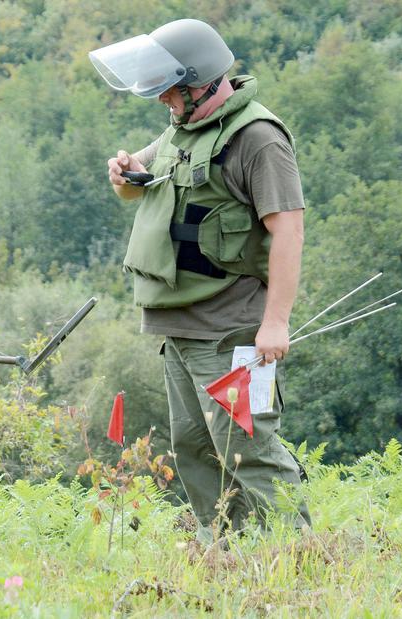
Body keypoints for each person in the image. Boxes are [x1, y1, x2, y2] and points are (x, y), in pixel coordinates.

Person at [90, 19, 310, 540]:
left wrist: (276, 323)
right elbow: (136, 184)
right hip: (181, 329)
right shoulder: (182, 129)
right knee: (193, 449)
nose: (162, 98)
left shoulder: (258, 139)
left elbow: (290, 232)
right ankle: (226, 558)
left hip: (231, 331)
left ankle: (303, 562)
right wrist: (122, 172)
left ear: (201, 82)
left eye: (171, 89)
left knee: (248, 451)